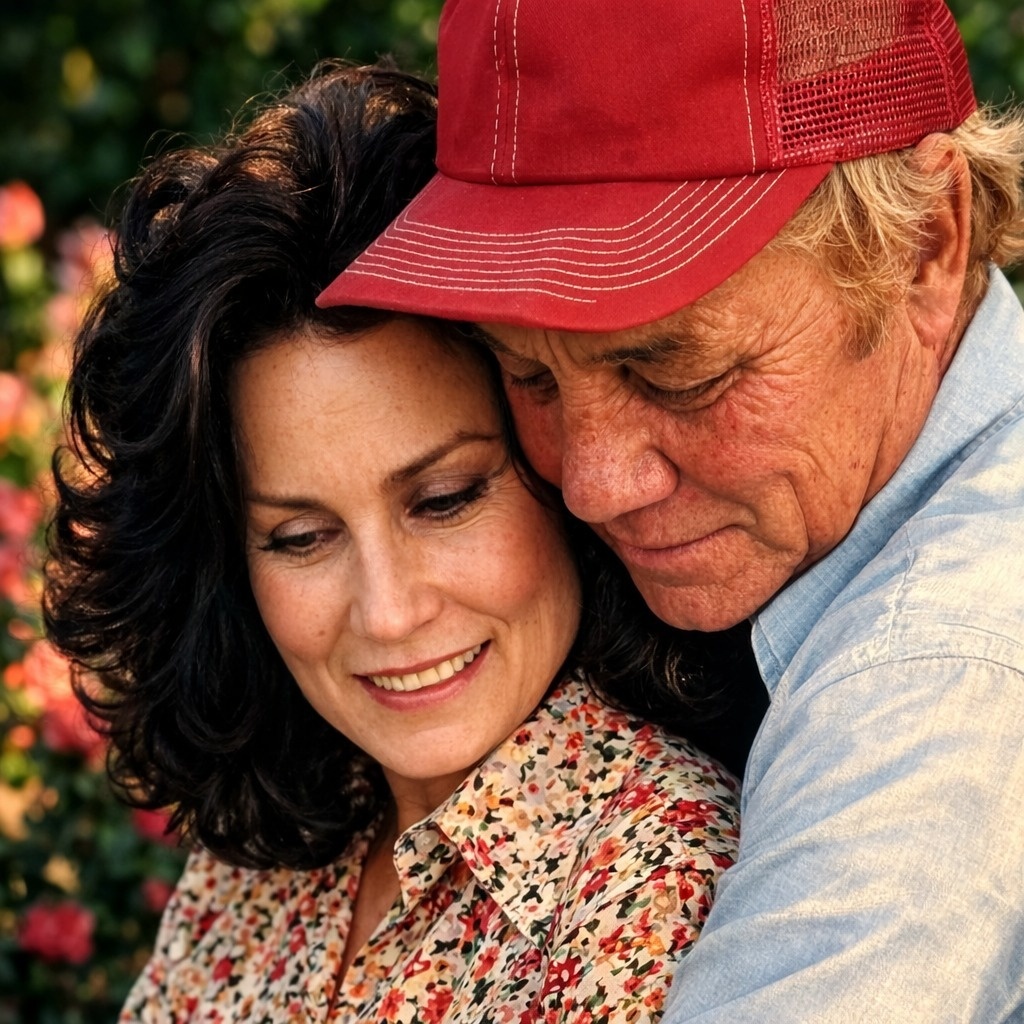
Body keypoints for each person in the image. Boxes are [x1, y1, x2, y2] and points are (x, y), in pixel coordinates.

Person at [317, 1, 1024, 1020]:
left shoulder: (933, 681)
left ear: (925, 242)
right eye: (528, 376)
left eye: (680, 374)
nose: (592, 484)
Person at [43, 63, 746, 1022]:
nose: (388, 610)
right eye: (299, 537)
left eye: (444, 500)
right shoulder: (258, 865)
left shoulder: (660, 877)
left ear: (561, 470)